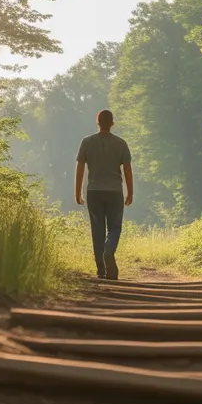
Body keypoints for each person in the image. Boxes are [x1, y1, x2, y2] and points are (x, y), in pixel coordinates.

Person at [74, 109, 133, 280]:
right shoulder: (121, 143)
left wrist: (77, 192)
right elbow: (127, 170)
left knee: (97, 230)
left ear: (97, 122)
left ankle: (101, 269)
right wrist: (130, 192)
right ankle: (109, 251)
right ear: (112, 123)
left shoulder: (87, 142)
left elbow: (80, 169)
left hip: (94, 192)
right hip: (114, 192)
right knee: (115, 227)